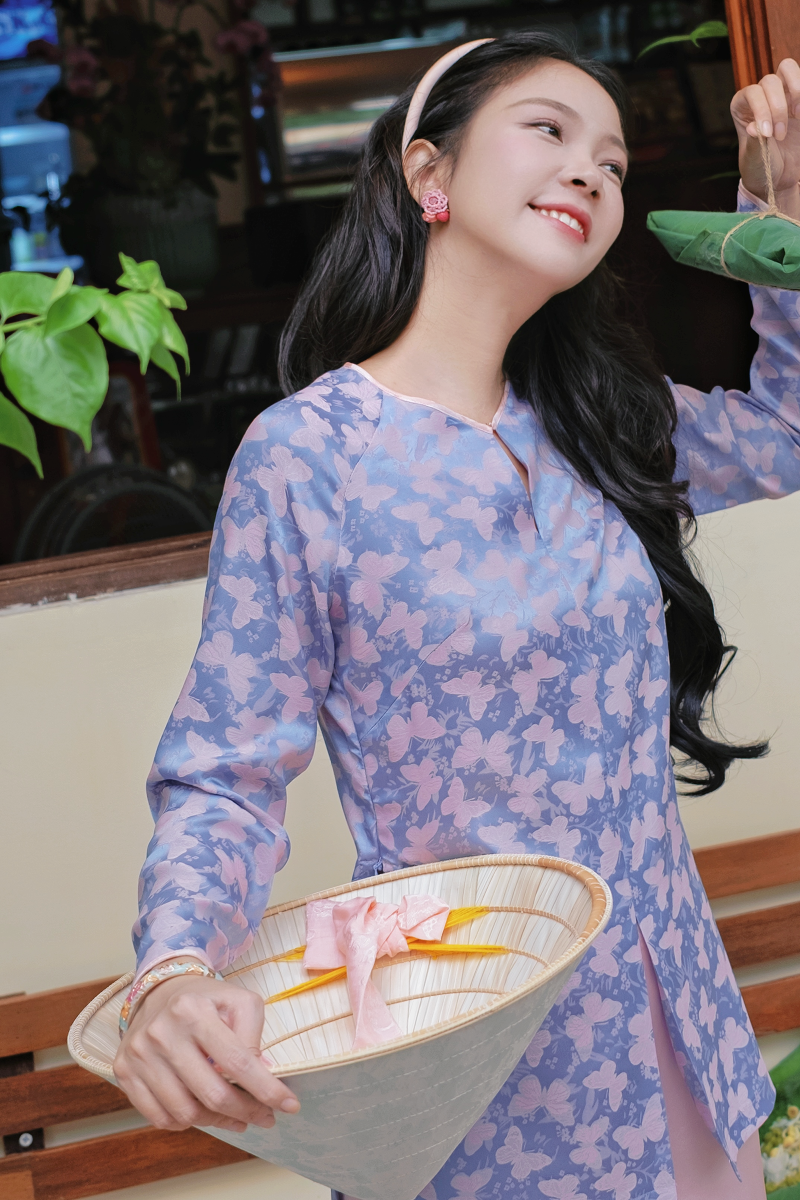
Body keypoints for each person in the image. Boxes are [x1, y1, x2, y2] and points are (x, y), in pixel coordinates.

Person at [114, 32, 800, 1200]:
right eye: (548, 131)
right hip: (479, 1076)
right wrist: (173, 970)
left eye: (612, 162)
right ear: (426, 173)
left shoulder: (606, 423)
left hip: (676, 1028)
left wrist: (773, 208)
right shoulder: (309, 458)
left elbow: (786, 430)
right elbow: (226, 772)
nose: (589, 171)